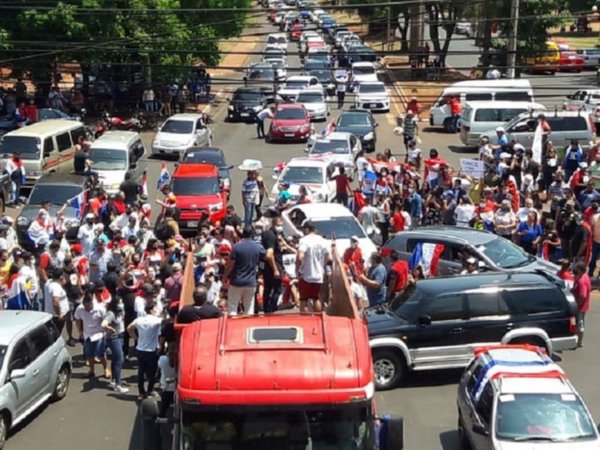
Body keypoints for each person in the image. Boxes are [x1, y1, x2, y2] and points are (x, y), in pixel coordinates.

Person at [223, 225, 265, 315]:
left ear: (242, 234)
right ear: (252, 234)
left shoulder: (236, 247)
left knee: (233, 307)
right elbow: (265, 258)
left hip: (236, 282)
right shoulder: (258, 247)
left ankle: (232, 327)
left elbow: (230, 265)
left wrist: (224, 278)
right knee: (249, 307)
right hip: (251, 282)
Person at [127, 301, 162, 400]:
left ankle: (141, 393)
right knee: (152, 373)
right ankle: (149, 390)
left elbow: (129, 328)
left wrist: (136, 338)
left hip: (140, 349)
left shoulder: (139, 320)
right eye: (156, 308)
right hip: (151, 350)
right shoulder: (157, 320)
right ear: (152, 309)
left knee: (141, 372)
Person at [296, 220, 331, 313]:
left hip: (306, 274)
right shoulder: (323, 241)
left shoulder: (304, 240)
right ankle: (317, 317)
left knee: (303, 299)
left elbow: (300, 257)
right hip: (319, 274)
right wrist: (322, 265)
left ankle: (304, 320)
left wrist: (298, 269)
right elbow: (329, 257)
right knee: (316, 298)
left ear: (307, 229)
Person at [74, 293, 110, 379]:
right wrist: (80, 332)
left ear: (92, 303)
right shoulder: (80, 309)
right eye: (85, 306)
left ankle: (106, 369)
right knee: (89, 354)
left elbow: (106, 320)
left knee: (100, 353)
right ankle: (91, 370)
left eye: (89, 306)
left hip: (99, 334)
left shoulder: (100, 309)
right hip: (87, 335)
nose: (87, 309)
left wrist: (106, 331)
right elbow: (77, 319)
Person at [261, 215, 284, 314]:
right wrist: (275, 269)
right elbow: (270, 254)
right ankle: (271, 308)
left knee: (268, 288)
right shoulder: (271, 235)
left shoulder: (269, 234)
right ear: (274, 224)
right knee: (277, 289)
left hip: (266, 267)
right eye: (279, 225)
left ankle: (267, 309)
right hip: (273, 266)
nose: (280, 227)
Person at [571, 262, 591, 347]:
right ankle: (576, 336)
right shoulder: (584, 276)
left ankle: (580, 341)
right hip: (581, 305)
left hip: (581, 307)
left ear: (579, 270)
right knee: (578, 322)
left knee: (580, 323)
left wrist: (577, 306)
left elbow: (582, 295)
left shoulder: (582, 281)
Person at [157, 346, 177, 418]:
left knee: (163, 409)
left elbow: (159, 366)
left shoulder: (163, 359)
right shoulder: (180, 362)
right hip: (176, 389)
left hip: (166, 388)